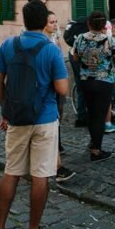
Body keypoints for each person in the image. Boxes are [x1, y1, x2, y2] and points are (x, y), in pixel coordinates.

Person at [0, 1, 69, 229]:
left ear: (23, 20)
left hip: (17, 118)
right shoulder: (51, 49)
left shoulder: (8, 45)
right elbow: (62, 89)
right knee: (40, 175)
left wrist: (6, 107)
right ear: (44, 21)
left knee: (11, 171)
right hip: (44, 118)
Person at [72, 11, 115, 161]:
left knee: (92, 113)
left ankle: (93, 142)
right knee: (100, 115)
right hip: (104, 82)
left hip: (86, 81)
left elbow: (75, 57)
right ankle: (96, 150)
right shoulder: (109, 40)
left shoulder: (80, 39)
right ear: (104, 26)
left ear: (88, 24)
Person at [44, 9, 74, 182]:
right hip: (49, 87)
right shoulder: (41, 43)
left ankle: (55, 162)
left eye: (56, 22)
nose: (55, 25)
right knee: (50, 124)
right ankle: (56, 167)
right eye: (52, 22)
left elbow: (60, 46)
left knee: (57, 118)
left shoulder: (55, 36)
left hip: (55, 81)